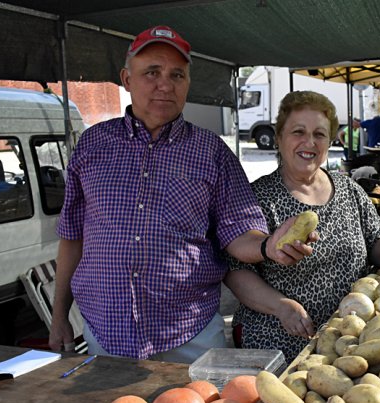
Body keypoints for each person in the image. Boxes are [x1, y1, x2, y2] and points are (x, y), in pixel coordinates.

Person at [48, 25, 314, 362]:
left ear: (188, 83)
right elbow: (72, 238)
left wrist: (268, 245)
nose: (165, 85)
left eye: (177, 75)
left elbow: (239, 233)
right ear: (127, 79)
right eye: (152, 73)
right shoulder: (93, 145)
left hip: (191, 335)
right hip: (106, 331)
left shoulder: (212, 152)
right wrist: (59, 317)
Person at [225, 91, 380, 363]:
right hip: (280, 339)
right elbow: (235, 271)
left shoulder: (349, 189)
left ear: (330, 140)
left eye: (319, 134)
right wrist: (281, 307)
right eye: (298, 132)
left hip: (350, 339)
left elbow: (376, 240)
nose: (309, 142)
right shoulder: (256, 197)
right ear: (279, 137)